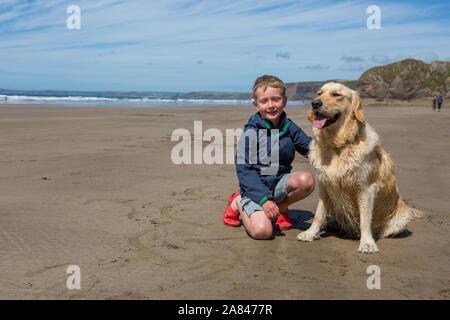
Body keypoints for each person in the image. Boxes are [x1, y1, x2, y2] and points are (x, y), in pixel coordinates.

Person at [223, 75, 315, 239]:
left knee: (306, 181)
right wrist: (264, 200)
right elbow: (244, 171)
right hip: (254, 190)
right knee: (263, 232)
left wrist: (336, 150)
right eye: (264, 101)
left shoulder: (289, 126)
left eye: (276, 99)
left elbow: (311, 149)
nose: (271, 105)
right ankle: (237, 202)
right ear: (256, 104)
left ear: (284, 101)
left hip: (279, 184)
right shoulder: (251, 132)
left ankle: (281, 208)